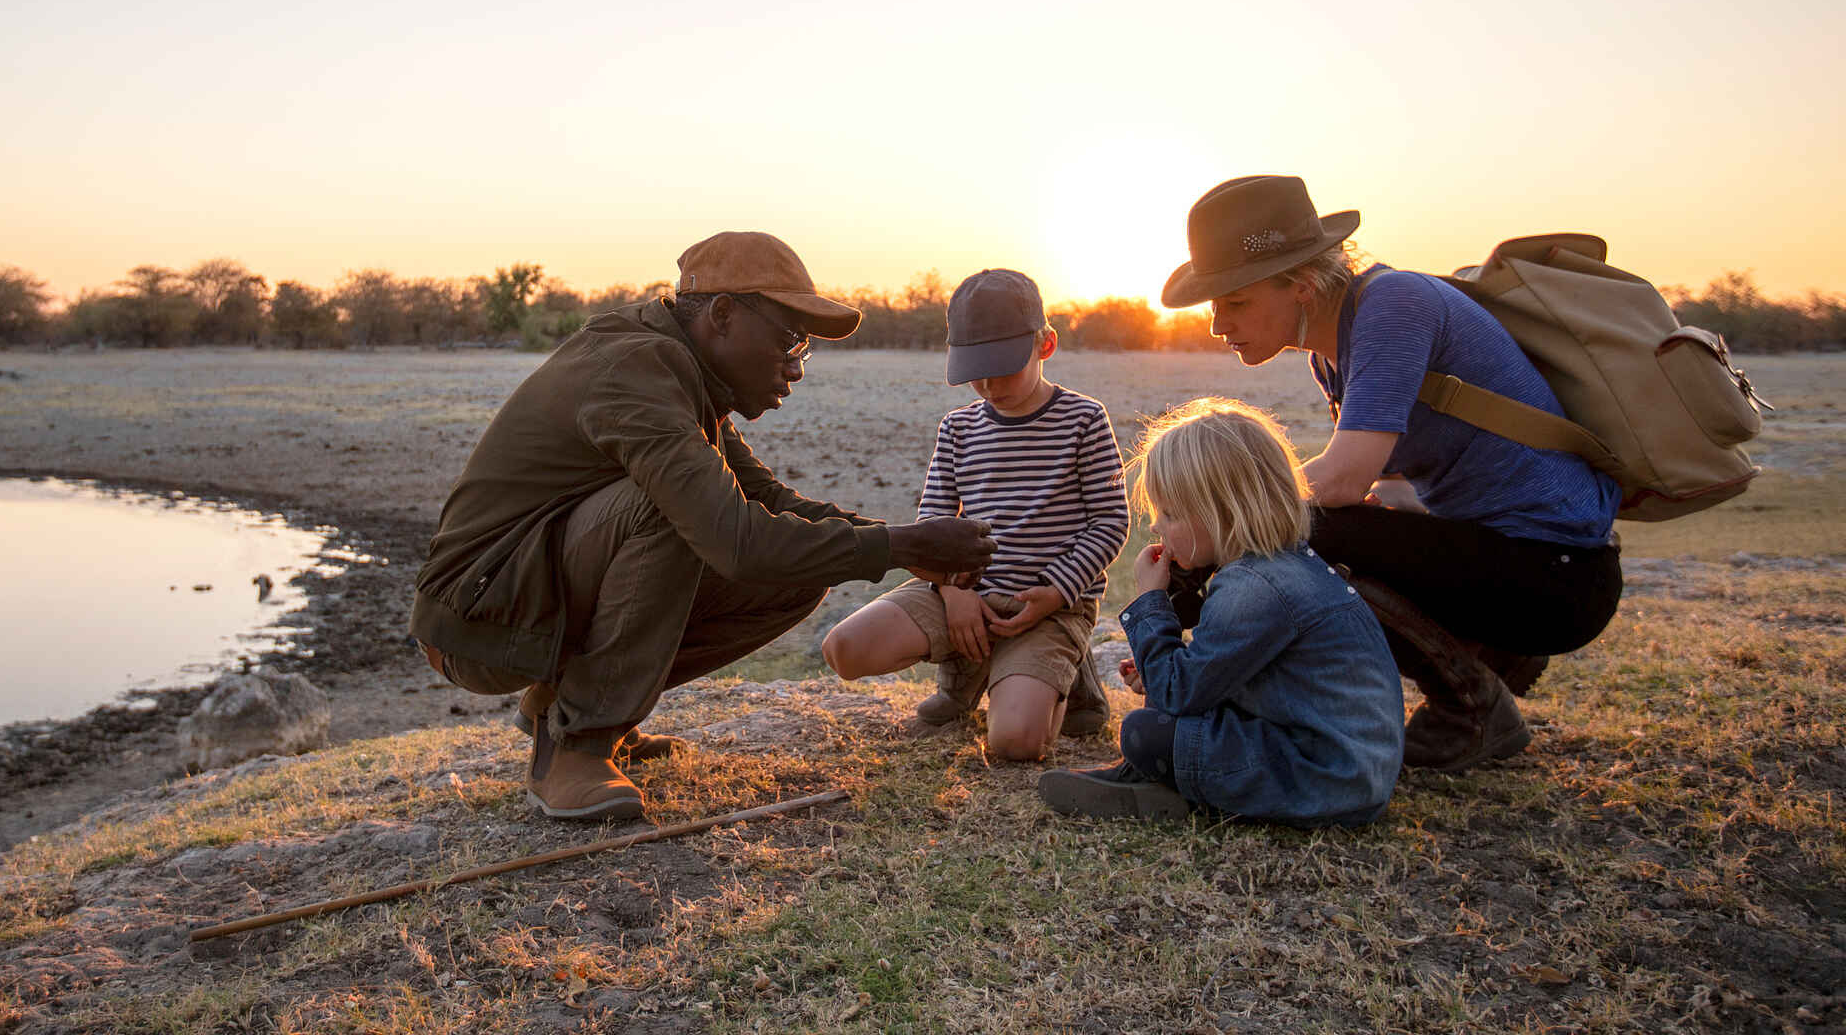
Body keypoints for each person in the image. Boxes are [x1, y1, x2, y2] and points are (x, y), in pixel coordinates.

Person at [409, 231, 996, 822]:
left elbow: (770, 501)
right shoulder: (637, 368)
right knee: (674, 512)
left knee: (797, 573)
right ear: (722, 315)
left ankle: (576, 708)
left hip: (528, 597)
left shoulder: (680, 372)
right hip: (478, 619)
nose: (795, 365)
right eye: (789, 339)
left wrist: (902, 544)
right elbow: (737, 541)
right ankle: (576, 744)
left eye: (805, 348)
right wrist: (900, 545)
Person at [1157, 175, 1624, 772]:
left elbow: (1343, 482)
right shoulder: (1335, 352)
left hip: (1560, 579)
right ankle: (1489, 656)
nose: (1218, 325)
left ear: (1301, 284)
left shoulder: (1392, 307)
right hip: (1520, 564)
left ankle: (1472, 706)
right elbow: (1393, 492)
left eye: (1235, 301)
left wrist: (1215, 527)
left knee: (1312, 533)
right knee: (1318, 532)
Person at [1038, 398, 1404, 823]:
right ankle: (1150, 783)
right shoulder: (1281, 565)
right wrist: (1163, 670)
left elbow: (1179, 693)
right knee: (1161, 725)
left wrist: (1149, 601)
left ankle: (1171, 789)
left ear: (1224, 514)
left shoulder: (1256, 586)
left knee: (1145, 733)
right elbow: (1226, 675)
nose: (1156, 526)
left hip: (1325, 779)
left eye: (1170, 513)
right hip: (1346, 768)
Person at [819, 269, 1128, 759]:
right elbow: (933, 523)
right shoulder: (958, 428)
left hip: (1049, 603)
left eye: (1001, 368)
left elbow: (1111, 521)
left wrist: (1056, 593)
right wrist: (951, 593)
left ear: (1045, 345)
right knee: (844, 650)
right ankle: (967, 671)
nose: (987, 385)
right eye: (973, 372)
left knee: (1015, 743)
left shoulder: (1085, 419)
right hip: (964, 595)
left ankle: (1070, 674)